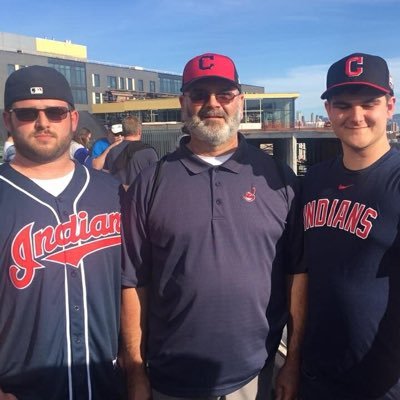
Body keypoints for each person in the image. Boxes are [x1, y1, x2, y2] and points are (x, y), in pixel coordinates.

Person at [121, 53, 307, 400]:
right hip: (169, 377)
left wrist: (293, 362)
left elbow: (297, 276)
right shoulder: (152, 181)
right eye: (199, 94)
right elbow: (133, 281)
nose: (212, 104)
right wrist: (134, 368)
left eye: (224, 94)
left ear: (240, 101)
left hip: (255, 373)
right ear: (182, 103)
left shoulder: (279, 178)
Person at [0, 65, 124, 399]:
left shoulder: (112, 193)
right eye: (27, 113)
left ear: (72, 119)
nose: (42, 122)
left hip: (108, 385)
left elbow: (136, 285)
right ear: (7, 121)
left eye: (54, 112)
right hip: (23, 389)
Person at [300, 53, 399, 399]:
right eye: (342, 104)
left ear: (389, 105)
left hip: (381, 383)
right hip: (314, 375)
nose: (356, 116)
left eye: (368, 103)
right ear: (328, 111)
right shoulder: (312, 180)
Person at [104, 116, 158, 190]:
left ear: (123, 131)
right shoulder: (148, 151)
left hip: (117, 197)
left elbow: (105, 176)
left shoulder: (112, 151)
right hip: (139, 197)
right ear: (139, 131)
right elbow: (156, 179)